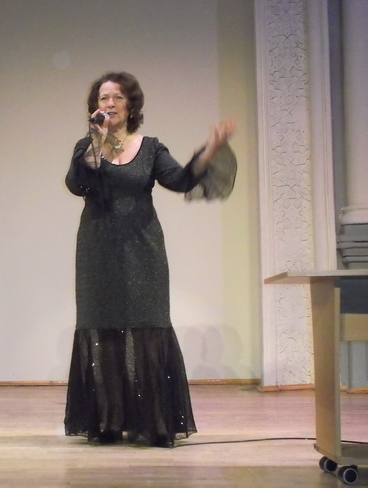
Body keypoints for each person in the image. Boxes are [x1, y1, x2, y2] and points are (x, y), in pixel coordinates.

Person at [64, 71, 236, 447]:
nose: (109, 104)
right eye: (103, 98)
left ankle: (154, 423)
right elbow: (77, 184)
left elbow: (180, 180)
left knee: (147, 325)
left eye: (117, 97)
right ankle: (108, 422)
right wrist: (96, 140)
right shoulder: (86, 146)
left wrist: (210, 148)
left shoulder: (151, 148)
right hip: (98, 250)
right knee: (103, 327)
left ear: (131, 106)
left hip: (143, 248)